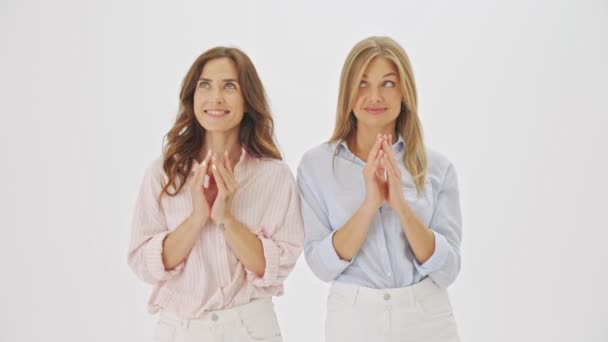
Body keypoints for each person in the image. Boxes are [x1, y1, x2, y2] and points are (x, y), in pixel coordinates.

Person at [128, 46, 304, 342]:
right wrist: (198, 217)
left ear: (248, 100)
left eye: (229, 86)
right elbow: (145, 265)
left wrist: (224, 218)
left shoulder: (274, 177)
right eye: (205, 85)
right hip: (180, 330)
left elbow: (274, 268)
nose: (216, 98)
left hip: (250, 328)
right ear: (192, 97)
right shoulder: (163, 173)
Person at [298, 36, 462, 342]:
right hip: (353, 319)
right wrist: (370, 204)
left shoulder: (437, 167)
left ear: (404, 93)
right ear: (347, 92)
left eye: (387, 83)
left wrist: (400, 204)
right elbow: (321, 266)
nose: (374, 96)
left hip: (427, 318)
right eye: (362, 83)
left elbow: (448, 271)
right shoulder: (316, 166)